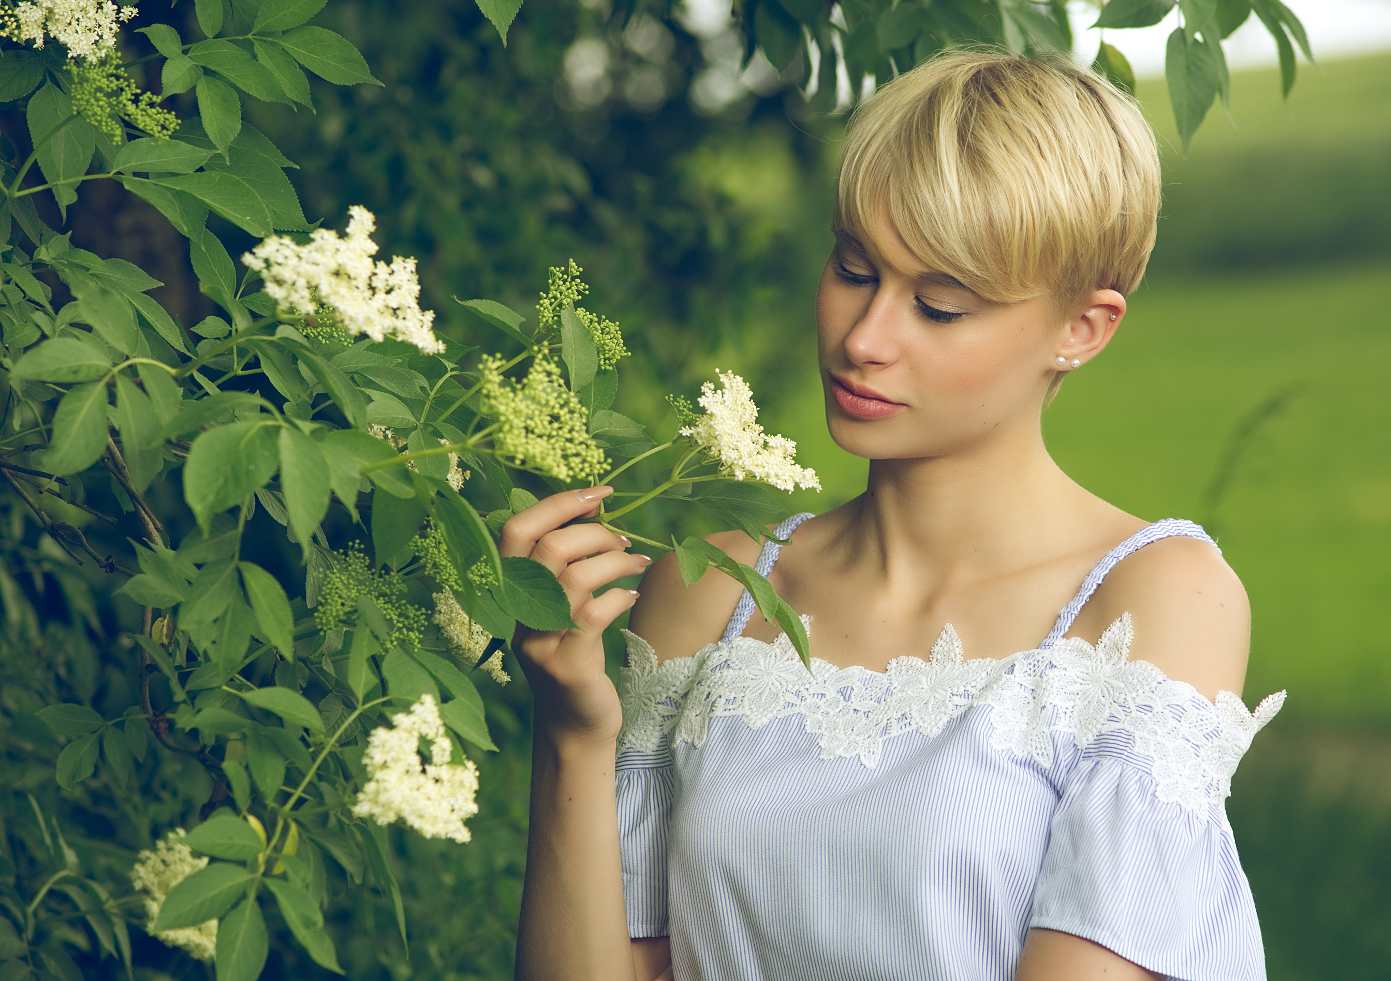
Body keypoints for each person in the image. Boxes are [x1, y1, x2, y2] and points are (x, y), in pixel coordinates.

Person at [505, 49, 1285, 981]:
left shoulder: (1155, 601)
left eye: (941, 306)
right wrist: (574, 734)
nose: (864, 339)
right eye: (853, 268)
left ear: (1083, 328)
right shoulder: (715, 588)